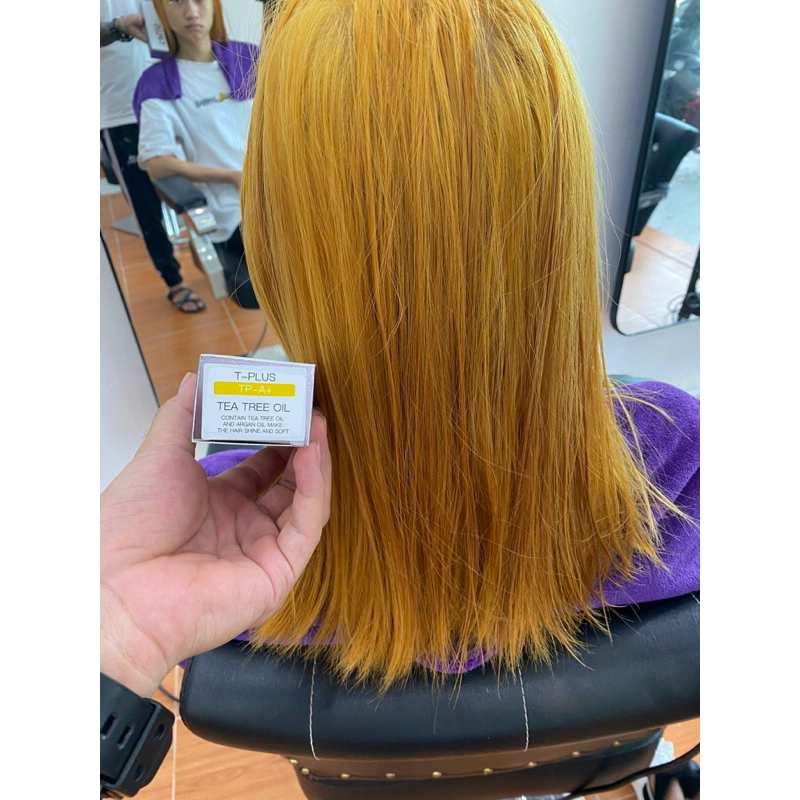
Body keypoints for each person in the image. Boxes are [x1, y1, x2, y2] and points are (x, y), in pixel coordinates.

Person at [133, 0, 259, 309]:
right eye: (177, 2)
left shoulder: (248, 58)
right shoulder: (159, 83)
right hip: (235, 215)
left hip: (285, 196)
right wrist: (232, 177)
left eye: (199, 0)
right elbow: (157, 164)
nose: (191, 12)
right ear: (161, 12)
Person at [101, 2, 206, 313]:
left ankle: (218, 260)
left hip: (175, 93)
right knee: (146, 206)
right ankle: (174, 281)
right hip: (121, 111)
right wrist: (118, 26)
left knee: (201, 184)